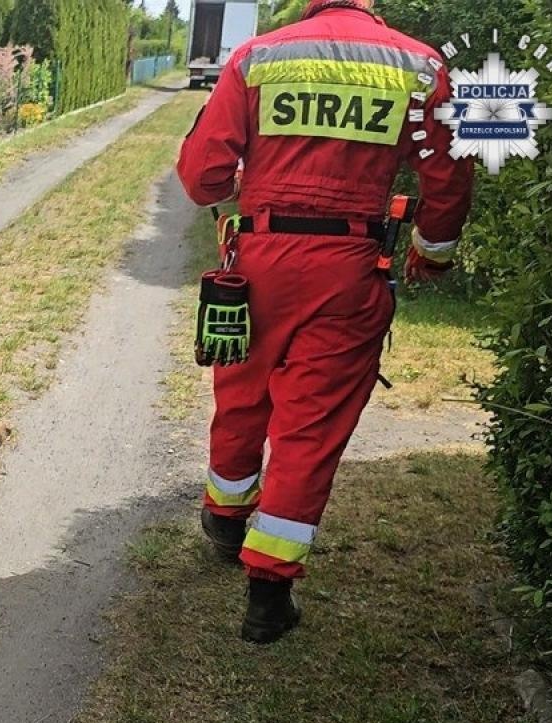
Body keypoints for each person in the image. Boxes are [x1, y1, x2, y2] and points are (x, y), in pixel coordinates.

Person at [176, 0, 473, 643]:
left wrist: (240, 192)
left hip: (256, 263)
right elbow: (448, 171)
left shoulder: (258, 58)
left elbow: (203, 179)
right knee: (310, 426)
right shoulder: (420, 65)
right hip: (348, 268)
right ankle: (267, 593)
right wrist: (434, 249)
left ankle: (226, 520)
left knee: (241, 391)